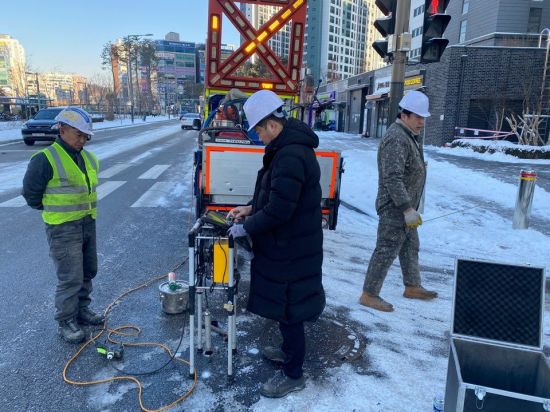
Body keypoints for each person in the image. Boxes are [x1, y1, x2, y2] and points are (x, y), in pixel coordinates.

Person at [227, 90, 324, 398]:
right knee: (285, 305)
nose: (259, 137)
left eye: (259, 130)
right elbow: (275, 195)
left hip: (292, 248)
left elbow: (280, 210)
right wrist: (249, 208)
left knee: (290, 307)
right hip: (291, 244)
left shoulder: (291, 155)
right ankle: (288, 351)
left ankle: (294, 374)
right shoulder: (286, 148)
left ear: (271, 124)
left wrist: (245, 228)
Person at [22, 107, 105, 343]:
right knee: (70, 276)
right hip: (62, 227)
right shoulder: (45, 159)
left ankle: (82, 310)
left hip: (87, 222)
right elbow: (31, 195)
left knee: (88, 270)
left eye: (86, 136)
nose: (83, 140)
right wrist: (53, 209)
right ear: (62, 129)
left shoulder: (88, 158)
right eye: (79, 135)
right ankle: (66, 320)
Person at [359, 91, 438, 313]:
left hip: (405, 207)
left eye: (423, 117)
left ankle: (412, 286)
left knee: (410, 245)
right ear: (404, 115)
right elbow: (392, 178)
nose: (422, 122)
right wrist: (406, 208)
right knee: (386, 250)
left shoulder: (408, 135)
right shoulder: (397, 138)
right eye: (418, 117)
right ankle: (369, 294)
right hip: (395, 208)